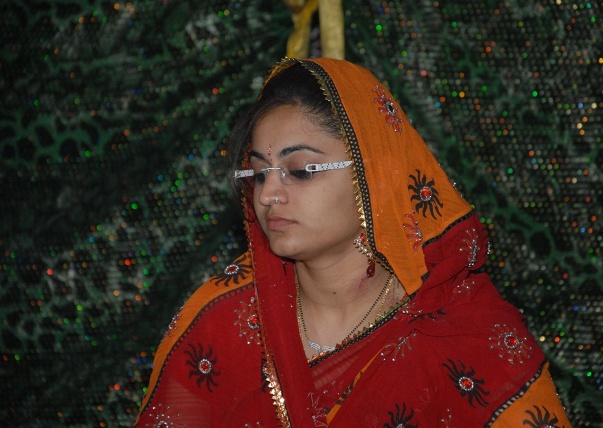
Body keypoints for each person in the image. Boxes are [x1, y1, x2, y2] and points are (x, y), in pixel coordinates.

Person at [135, 58, 571, 427]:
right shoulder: (221, 321)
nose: (268, 195)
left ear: (373, 174)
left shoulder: (462, 330)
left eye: (300, 170)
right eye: (260, 173)